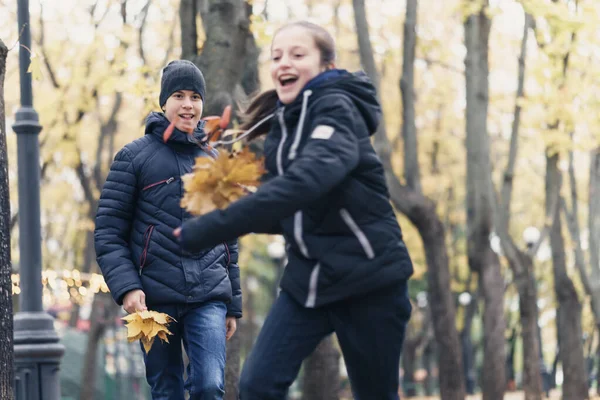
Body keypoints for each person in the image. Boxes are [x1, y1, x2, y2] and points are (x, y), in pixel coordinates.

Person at [176, 21, 413, 400]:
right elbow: (287, 210)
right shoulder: (285, 124)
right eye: (277, 56)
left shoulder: (338, 110)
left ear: (326, 65)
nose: (284, 63)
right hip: (309, 282)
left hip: (369, 281)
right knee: (257, 386)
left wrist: (212, 228)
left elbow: (304, 184)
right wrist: (229, 202)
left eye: (298, 55)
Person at [94, 59, 242, 400]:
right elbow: (107, 231)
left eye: (195, 96)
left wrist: (232, 303)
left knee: (209, 384)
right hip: (151, 300)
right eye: (179, 95)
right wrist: (128, 288)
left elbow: (228, 236)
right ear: (164, 102)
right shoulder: (133, 157)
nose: (188, 104)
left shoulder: (217, 160)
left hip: (208, 295)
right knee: (166, 388)